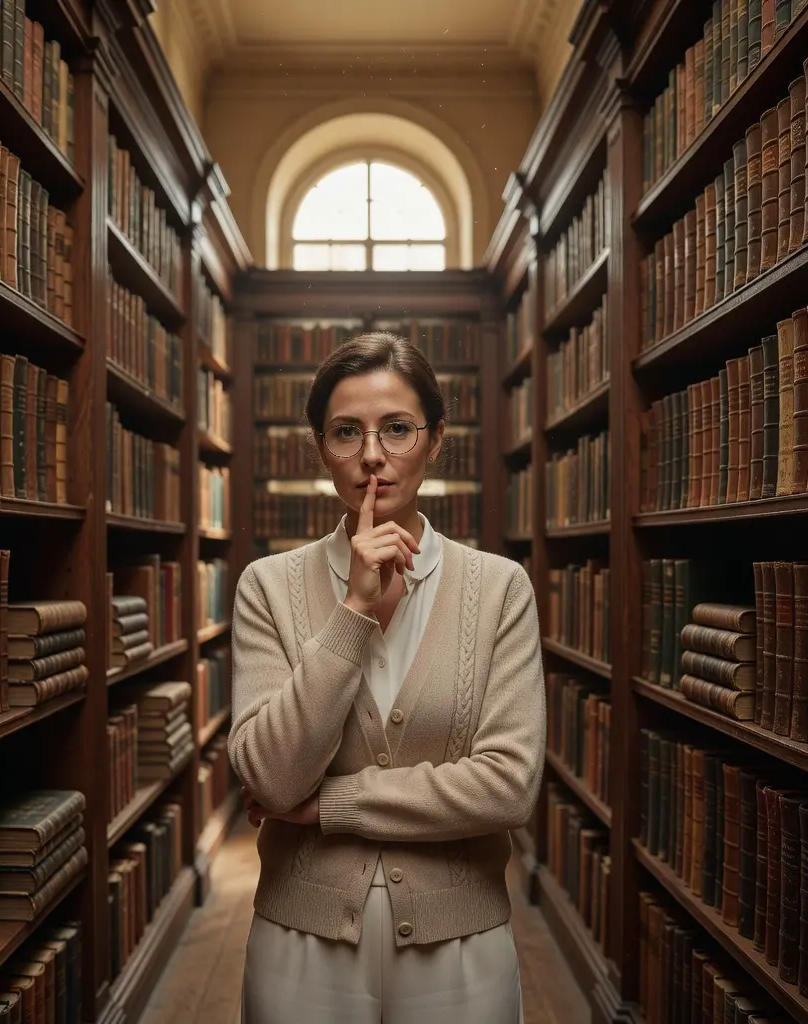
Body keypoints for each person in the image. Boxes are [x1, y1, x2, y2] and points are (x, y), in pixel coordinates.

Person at [229, 332, 546, 1023]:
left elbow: (508, 786)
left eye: (397, 429)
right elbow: (272, 780)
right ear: (320, 447)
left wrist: (328, 809)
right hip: (300, 943)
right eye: (347, 432)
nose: (372, 455)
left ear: (435, 441)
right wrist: (354, 612)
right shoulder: (268, 587)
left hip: (460, 945)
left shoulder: (500, 589)